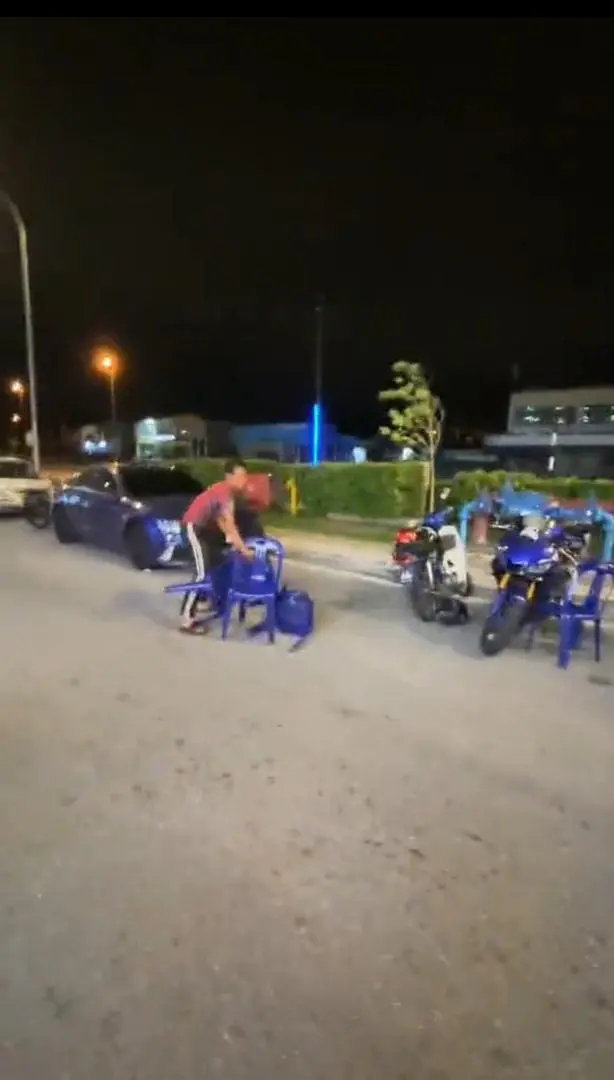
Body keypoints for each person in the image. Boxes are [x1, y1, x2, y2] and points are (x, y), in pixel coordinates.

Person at [179, 458, 254, 635]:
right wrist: (244, 550)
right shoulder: (225, 493)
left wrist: (233, 541)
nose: (244, 481)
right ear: (229, 476)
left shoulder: (224, 491)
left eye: (246, 476)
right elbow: (229, 523)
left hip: (202, 529)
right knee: (200, 574)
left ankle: (206, 599)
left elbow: (222, 520)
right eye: (241, 476)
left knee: (216, 562)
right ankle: (186, 619)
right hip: (192, 527)